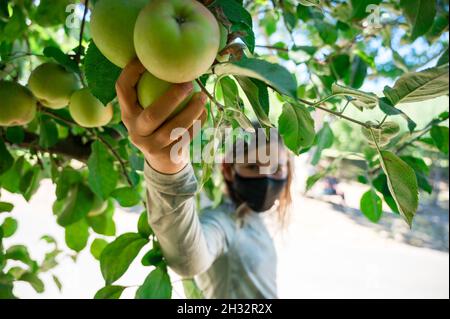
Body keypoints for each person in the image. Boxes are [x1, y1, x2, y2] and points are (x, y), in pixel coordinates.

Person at [116, 60, 293, 299]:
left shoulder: (256, 220)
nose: (268, 179)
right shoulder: (222, 221)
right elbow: (188, 259)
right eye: (253, 166)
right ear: (229, 170)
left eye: (277, 168)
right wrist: (167, 167)